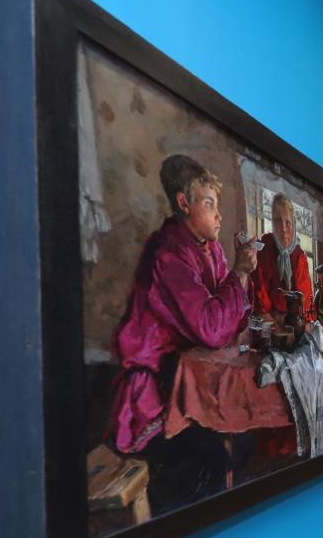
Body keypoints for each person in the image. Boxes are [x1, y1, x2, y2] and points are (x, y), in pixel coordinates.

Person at [109, 154, 257, 510]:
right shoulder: (168, 255)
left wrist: (237, 281)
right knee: (212, 459)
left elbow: (231, 319)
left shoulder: (211, 248)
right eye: (209, 204)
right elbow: (211, 328)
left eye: (217, 205)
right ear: (183, 203)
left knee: (247, 436)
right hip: (157, 394)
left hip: (194, 379)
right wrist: (239, 275)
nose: (219, 215)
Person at [250, 193, 315, 323]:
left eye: (288, 222)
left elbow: (305, 304)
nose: (284, 229)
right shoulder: (265, 248)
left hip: (294, 323)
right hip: (268, 322)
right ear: (273, 223)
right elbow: (260, 301)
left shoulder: (300, 256)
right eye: (278, 221)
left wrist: (297, 323)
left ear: (294, 224)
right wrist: (277, 323)